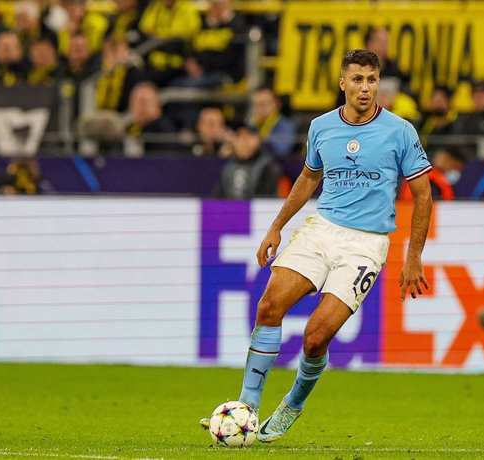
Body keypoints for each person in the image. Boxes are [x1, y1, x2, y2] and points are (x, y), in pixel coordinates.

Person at [199, 49, 433, 442]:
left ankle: (293, 401)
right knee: (269, 306)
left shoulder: (401, 131)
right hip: (321, 229)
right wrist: (276, 226)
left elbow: (423, 196)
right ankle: (247, 408)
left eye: (371, 80)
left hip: (366, 244)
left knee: (315, 336)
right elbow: (308, 179)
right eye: (357, 79)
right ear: (342, 83)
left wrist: (414, 258)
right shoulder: (322, 127)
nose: (364, 88)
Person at [217, 124, 281, 199]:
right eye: (241, 138)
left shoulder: (268, 165)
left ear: (258, 141)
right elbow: (218, 197)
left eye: (249, 137)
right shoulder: (228, 166)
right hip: (231, 209)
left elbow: (264, 198)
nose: (245, 143)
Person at [249, 86, 297, 158]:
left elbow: (282, 151)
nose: (260, 109)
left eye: (264, 104)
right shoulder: (252, 126)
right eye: (256, 105)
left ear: (277, 104)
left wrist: (260, 142)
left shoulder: (285, 126)